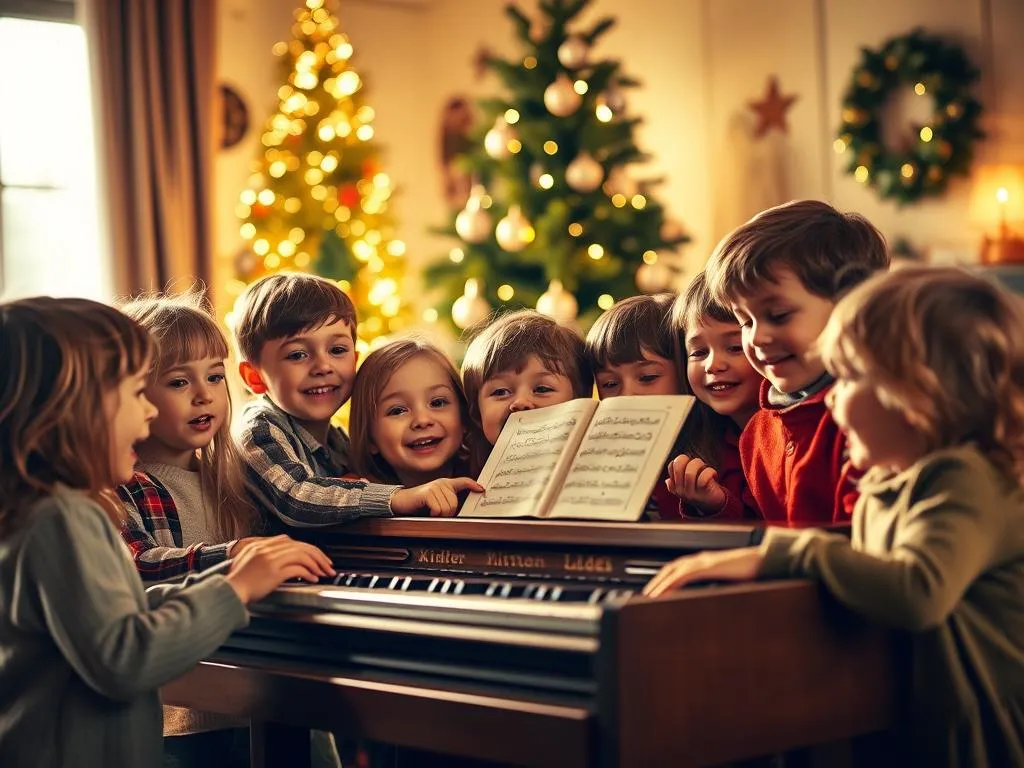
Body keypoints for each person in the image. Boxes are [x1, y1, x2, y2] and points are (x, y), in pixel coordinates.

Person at [644, 267, 1024, 766]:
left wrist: (783, 553)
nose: (833, 400)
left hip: (978, 735)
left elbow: (917, 591)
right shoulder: (884, 487)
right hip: (909, 717)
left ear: (914, 395)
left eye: (847, 380)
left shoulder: (965, 478)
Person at [0, 296, 333, 767]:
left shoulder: (51, 513)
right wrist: (235, 585)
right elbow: (124, 657)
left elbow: (122, 616)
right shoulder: (62, 519)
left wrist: (227, 580)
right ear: (75, 410)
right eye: (137, 393)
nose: (147, 414)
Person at [117, 292, 263, 767]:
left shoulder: (237, 481)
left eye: (215, 376)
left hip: (255, 706)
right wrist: (235, 556)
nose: (204, 395)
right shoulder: (130, 487)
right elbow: (138, 568)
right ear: (134, 394)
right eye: (179, 381)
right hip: (178, 723)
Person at [232, 273, 481, 526]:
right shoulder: (259, 427)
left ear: (354, 359)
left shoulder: (338, 444)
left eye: (337, 350)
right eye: (297, 354)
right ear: (254, 377)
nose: (323, 366)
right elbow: (297, 497)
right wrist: (398, 498)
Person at [703, 199, 889, 523]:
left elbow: (861, 547)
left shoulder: (873, 419)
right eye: (745, 322)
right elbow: (761, 533)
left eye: (778, 315)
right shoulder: (757, 434)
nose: (757, 338)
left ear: (852, 305)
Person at [666, 272, 762, 519]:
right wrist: (711, 504)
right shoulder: (703, 443)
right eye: (698, 352)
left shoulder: (783, 438)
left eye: (734, 348)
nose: (713, 365)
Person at [585, 293, 684, 520]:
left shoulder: (722, 448)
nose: (626, 395)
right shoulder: (595, 452)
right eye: (610, 384)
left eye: (647, 377)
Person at [461, 309, 593, 475]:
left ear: (581, 400)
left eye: (542, 389)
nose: (521, 402)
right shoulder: (463, 481)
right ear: (476, 413)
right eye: (501, 392)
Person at [349, 336, 470, 487]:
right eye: (398, 411)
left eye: (437, 403)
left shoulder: (493, 476)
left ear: (464, 415)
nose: (422, 420)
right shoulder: (350, 495)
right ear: (369, 438)